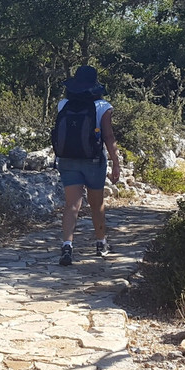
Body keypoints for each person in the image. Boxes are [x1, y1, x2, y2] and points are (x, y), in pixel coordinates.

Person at [54, 65, 120, 265]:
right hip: (93, 160)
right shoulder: (103, 106)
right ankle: (101, 243)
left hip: (67, 159)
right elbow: (108, 137)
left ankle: (67, 245)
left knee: (72, 204)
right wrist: (116, 163)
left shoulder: (63, 104)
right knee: (96, 204)